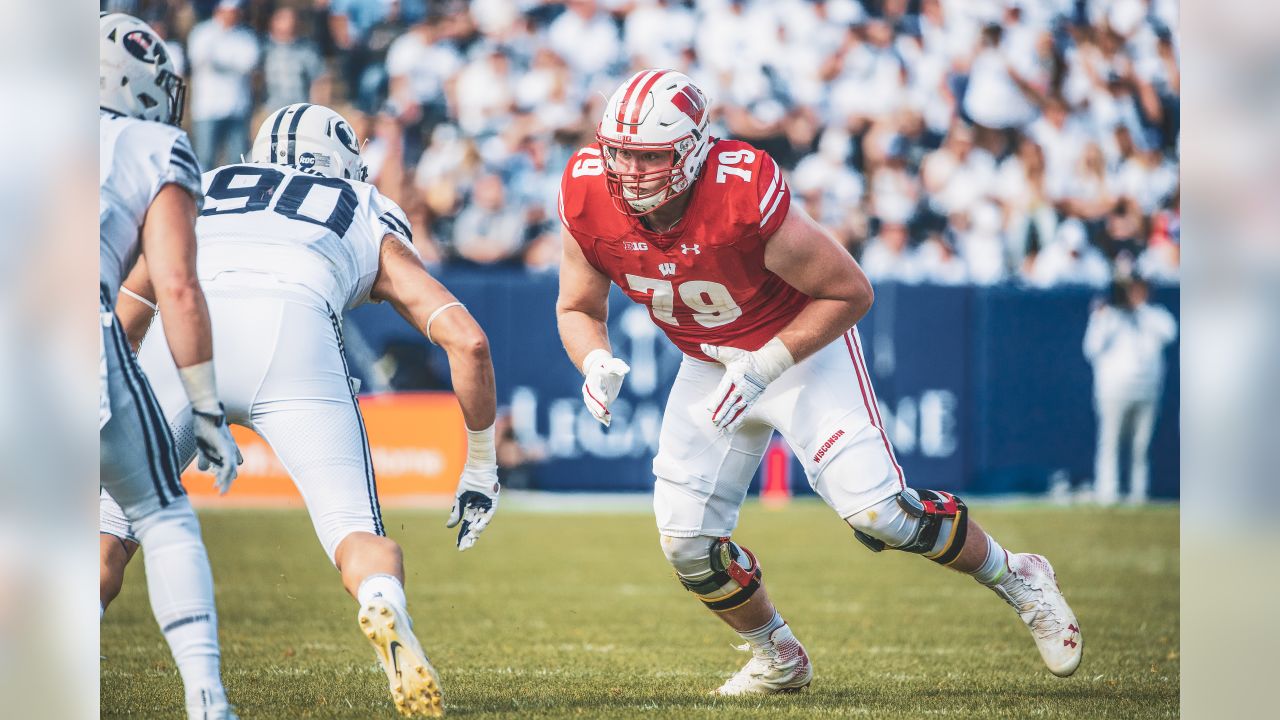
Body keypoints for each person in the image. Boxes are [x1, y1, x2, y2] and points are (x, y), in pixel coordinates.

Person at [556, 69, 1084, 695]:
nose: (630, 170)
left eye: (649, 155)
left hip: (799, 348)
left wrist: (766, 365)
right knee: (687, 544)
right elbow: (578, 308)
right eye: (620, 152)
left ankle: (1017, 574)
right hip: (708, 362)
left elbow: (850, 292)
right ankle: (776, 655)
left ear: (694, 150)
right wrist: (593, 360)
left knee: (878, 512)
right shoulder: (588, 189)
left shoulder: (738, 191)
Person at [100, 103, 501, 718]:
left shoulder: (206, 185)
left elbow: (125, 320)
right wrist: (479, 466)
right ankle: (382, 603)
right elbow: (468, 340)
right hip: (293, 333)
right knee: (358, 537)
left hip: (183, 342)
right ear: (345, 160)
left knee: (105, 540)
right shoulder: (363, 206)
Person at [99, 13, 243, 719]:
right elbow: (176, 285)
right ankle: (206, 698)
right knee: (162, 516)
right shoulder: (152, 143)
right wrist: (206, 408)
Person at [1083, 275, 1177, 505]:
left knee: (1141, 445)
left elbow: (1170, 333)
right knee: (1110, 442)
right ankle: (1108, 493)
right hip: (1114, 389)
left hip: (1148, 389)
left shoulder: (1154, 315)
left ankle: (1138, 494)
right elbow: (1091, 348)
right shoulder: (1107, 316)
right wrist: (1105, 316)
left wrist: (1140, 310)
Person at [186, 0, 260, 170]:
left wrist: (218, 61)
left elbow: (248, 64)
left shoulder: (246, 36)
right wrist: (231, 63)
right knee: (205, 159)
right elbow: (199, 60)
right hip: (207, 107)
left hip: (237, 107)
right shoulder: (202, 33)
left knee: (238, 158)